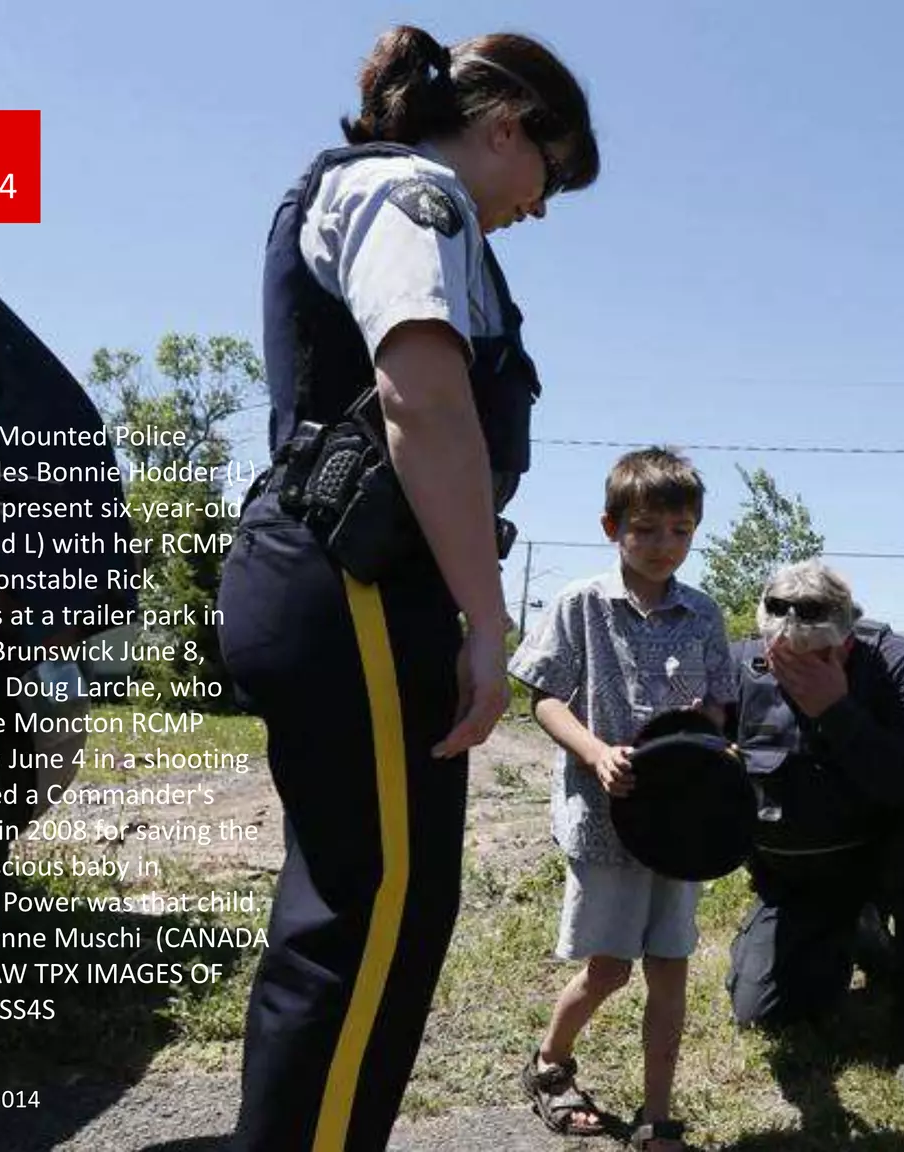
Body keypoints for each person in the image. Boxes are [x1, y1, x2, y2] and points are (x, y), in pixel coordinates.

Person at [218, 26, 598, 1152]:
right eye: (551, 173)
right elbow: (421, 399)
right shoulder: (409, 190)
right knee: (373, 913)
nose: (541, 206)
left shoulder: (388, 194)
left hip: (341, 581)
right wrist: (488, 622)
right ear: (502, 126)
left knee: (352, 903)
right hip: (360, 582)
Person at [507, 447, 738, 1152]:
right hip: (606, 821)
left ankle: (657, 1115)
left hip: (679, 827)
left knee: (671, 967)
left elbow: (721, 707)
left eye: (680, 529)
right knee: (608, 967)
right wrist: (596, 751)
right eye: (646, 530)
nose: (664, 545)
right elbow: (546, 698)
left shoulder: (703, 614)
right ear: (613, 528)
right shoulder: (582, 605)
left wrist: (711, 738)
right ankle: (550, 1063)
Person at [724, 561, 904, 1097]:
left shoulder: (903, 667)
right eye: (784, 659)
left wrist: (836, 710)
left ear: (846, 643)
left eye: (816, 657)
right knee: (767, 1015)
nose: (796, 672)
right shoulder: (739, 667)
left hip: (886, 858)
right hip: (801, 879)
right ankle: (856, 936)